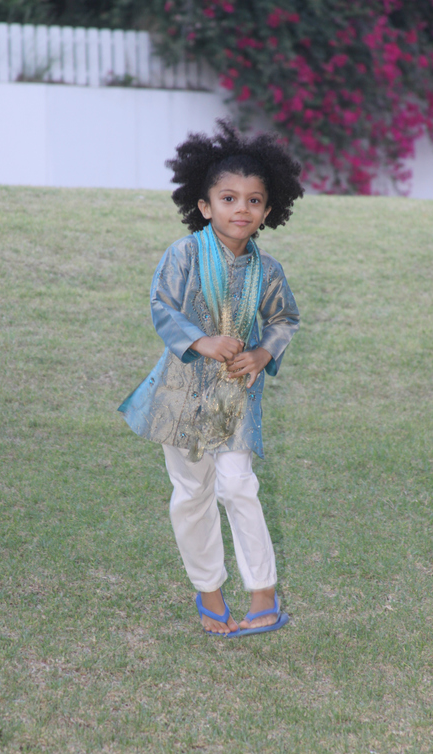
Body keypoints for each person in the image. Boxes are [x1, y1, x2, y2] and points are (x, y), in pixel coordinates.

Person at [119, 120, 303, 637]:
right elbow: (161, 305)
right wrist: (201, 341)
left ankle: (263, 594)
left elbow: (284, 319)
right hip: (180, 394)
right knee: (191, 493)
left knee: (238, 485)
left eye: (254, 200)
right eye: (228, 198)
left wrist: (262, 353)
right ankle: (209, 592)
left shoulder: (268, 271)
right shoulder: (182, 255)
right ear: (204, 206)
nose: (241, 208)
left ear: (268, 210)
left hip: (236, 395)